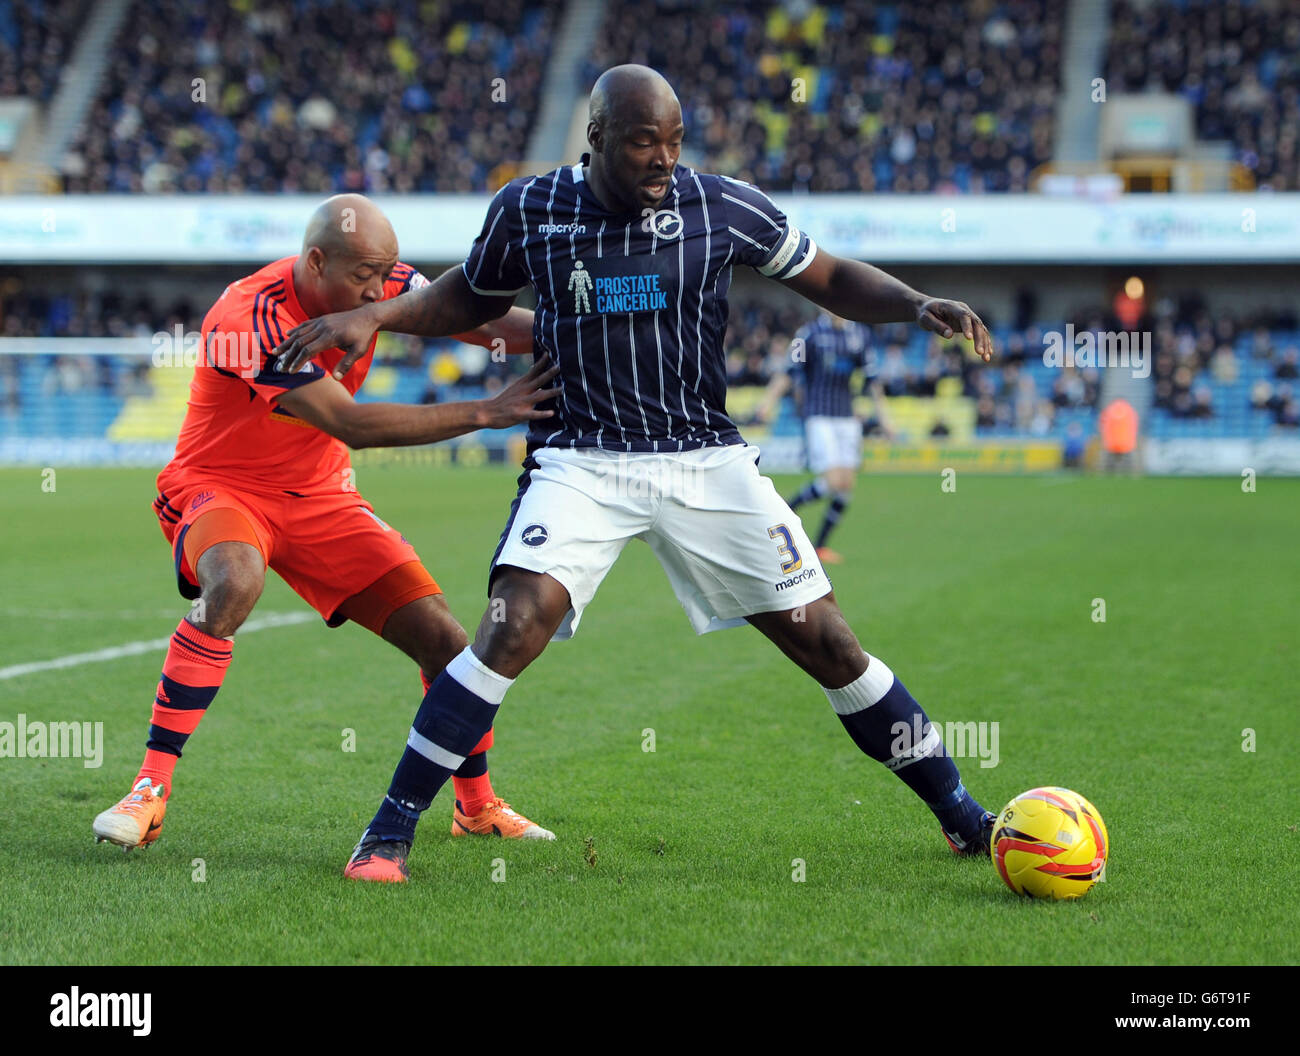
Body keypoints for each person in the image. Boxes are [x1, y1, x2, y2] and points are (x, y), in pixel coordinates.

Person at [275, 67, 999, 884]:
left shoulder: (721, 205)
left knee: (831, 643)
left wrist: (914, 302)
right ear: (597, 139)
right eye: (643, 141)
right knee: (510, 629)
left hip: (703, 456)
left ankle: (965, 815)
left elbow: (826, 276)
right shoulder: (530, 209)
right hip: (582, 456)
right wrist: (376, 312)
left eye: (674, 140)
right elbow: (466, 300)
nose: (663, 158)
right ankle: (386, 836)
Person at [92, 194, 560, 857]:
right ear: (317, 262)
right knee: (233, 584)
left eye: (389, 273)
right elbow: (350, 423)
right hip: (223, 486)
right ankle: (149, 790)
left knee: (448, 643)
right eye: (367, 275)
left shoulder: (384, 281)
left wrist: (582, 325)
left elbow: (476, 322)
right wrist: (487, 411)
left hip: (320, 496)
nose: (381, 290)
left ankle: (477, 807)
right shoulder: (246, 317)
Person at [755, 311, 890, 564]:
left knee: (845, 486)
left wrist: (885, 418)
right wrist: (767, 402)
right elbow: (788, 371)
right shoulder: (809, 334)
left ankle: (819, 545)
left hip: (847, 418)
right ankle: (784, 511)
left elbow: (873, 381)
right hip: (819, 416)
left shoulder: (860, 335)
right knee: (834, 480)